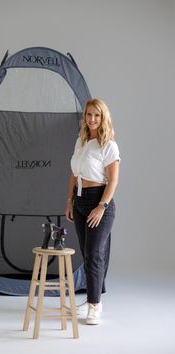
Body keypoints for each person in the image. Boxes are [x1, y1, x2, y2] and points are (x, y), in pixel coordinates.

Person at [65, 98, 121, 325]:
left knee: (95, 255)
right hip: (79, 201)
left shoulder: (108, 144)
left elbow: (113, 180)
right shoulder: (81, 141)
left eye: (97, 115)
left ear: (103, 117)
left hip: (99, 201)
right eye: (89, 115)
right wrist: (69, 201)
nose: (92, 119)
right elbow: (73, 175)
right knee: (87, 255)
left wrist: (102, 206)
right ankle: (90, 300)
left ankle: (95, 306)